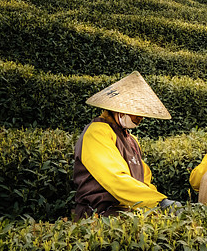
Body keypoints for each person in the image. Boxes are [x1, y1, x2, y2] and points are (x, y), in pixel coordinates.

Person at [73, 71, 180, 218]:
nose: (139, 119)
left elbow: (144, 178)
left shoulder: (132, 140)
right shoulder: (97, 132)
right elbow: (116, 179)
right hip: (98, 215)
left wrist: (157, 201)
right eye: (135, 114)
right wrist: (158, 202)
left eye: (142, 115)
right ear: (118, 110)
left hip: (128, 212)